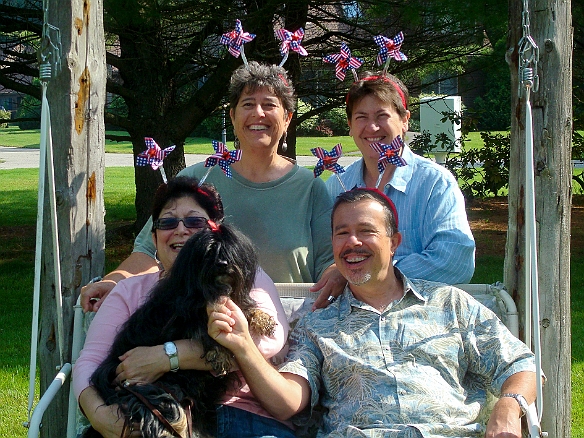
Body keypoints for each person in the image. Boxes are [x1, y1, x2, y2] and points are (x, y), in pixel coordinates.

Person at [208, 188, 539, 438]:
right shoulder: (316, 322)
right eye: (341, 232)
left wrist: (509, 407)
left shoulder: (450, 304)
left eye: (366, 230)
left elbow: (520, 364)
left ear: (393, 242)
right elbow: (288, 402)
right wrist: (243, 346)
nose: (352, 242)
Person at [81, 61, 342, 313]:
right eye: (247, 104)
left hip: (288, 327)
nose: (258, 113)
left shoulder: (311, 188)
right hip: (202, 327)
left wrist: (336, 273)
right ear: (232, 115)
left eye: (269, 105)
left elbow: (329, 264)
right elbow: (151, 251)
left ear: (287, 118)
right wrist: (115, 280)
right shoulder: (198, 180)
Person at [73, 176, 292, 438]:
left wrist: (169, 357)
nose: (180, 230)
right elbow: (90, 361)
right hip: (156, 413)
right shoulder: (129, 291)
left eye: (194, 221)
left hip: (240, 413)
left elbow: (268, 338)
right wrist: (99, 415)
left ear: (216, 232)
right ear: (154, 240)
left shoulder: (242, 274)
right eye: (167, 222)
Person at [324, 73, 475, 287]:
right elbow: (323, 258)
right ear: (349, 125)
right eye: (361, 117)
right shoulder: (336, 186)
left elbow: (455, 262)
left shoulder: (434, 183)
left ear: (405, 120)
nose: (372, 127)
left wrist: (371, 273)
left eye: (382, 116)